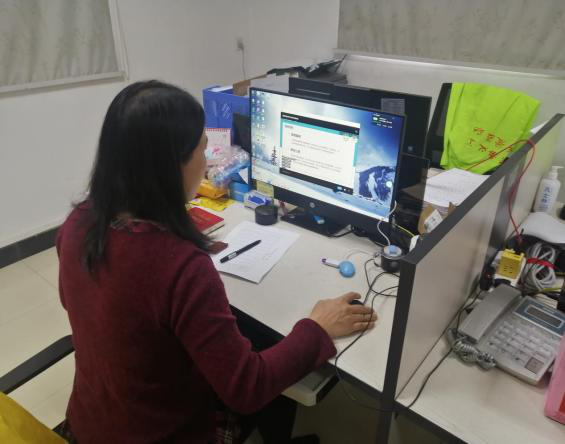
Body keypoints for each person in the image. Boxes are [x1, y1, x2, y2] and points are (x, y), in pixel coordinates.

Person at [56, 80, 377, 443]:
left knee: (246, 334)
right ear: (172, 166)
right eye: (202, 148)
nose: (208, 161)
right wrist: (317, 328)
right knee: (269, 350)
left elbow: (85, 302)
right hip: (165, 434)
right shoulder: (179, 266)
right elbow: (247, 387)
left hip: (90, 423)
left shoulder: (78, 223)